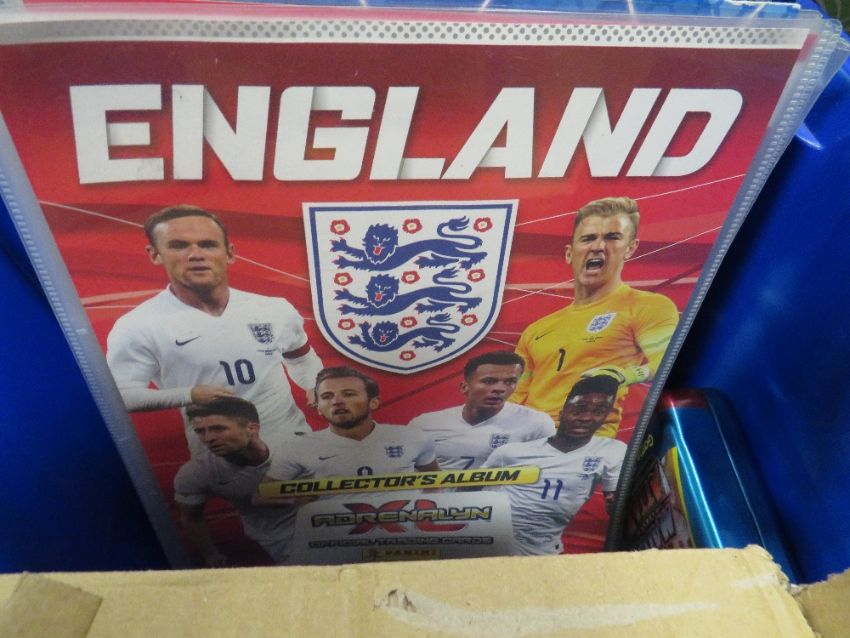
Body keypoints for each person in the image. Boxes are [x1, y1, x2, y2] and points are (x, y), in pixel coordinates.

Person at [106, 204, 323, 456]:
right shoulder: (138, 325)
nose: (196, 254)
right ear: (155, 254)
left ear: (229, 253)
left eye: (208, 245)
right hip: (222, 461)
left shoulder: (274, 309)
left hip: (297, 447)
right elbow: (120, 396)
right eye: (179, 246)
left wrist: (314, 383)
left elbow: (300, 357)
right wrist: (189, 395)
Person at [512, 196, 679, 437]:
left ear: (630, 248)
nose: (598, 246)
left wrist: (623, 375)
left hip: (587, 443)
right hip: (527, 444)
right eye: (588, 238)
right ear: (569, 253)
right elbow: (514, 396)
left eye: (612, 237)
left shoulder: (647, 306)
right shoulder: (537, 329)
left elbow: (667, 363)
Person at [483, 375, 626, 556]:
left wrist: (617, 501)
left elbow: (616, 506)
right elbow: (473, 493)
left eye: (598, 411)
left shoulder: (611, 450)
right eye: (580, 409)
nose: (587, 418)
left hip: (541, 553)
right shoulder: (511, 452)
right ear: (562, 410)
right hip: (492, 546)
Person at [267, 366, 439, 495]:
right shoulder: (296, 447)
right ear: (318, 408)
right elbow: (264, 497)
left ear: (373, 402)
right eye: (327, 397)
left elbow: (437, 483)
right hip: (332, 532)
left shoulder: (412, 437)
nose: (337, 401)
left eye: (348, 394)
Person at [173, 396, 297, 566]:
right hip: (278, 539)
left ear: (252, 428)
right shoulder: (196, 473)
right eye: (200, 431)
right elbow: (191, 517)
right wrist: (211, 555)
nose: (208, 438)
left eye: (218, 429)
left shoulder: (297, 445)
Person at [408, 351, 554, 470]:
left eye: (510, 382)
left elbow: (549, 472)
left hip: (500, 498)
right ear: (464, 387)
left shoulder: (536, 423)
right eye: (489, 381)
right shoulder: (425, 425)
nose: (500, 389)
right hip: (440, 497)